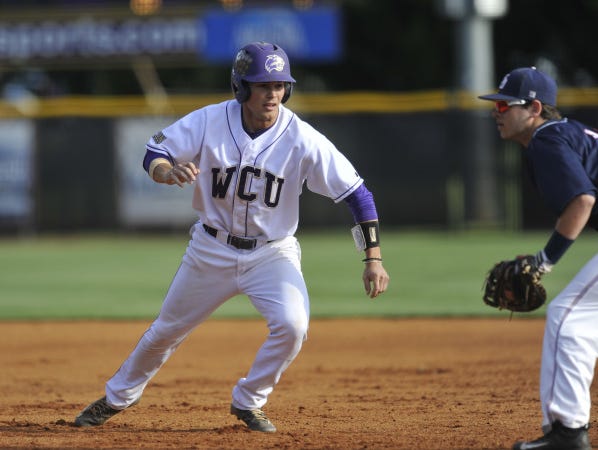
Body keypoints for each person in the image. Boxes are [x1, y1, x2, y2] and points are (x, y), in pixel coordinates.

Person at [73, 41, 390, 433]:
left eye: (279, 85)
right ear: (241, 87)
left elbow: (357, 194)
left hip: (272, 254)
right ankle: (116, 398)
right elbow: (155, 152)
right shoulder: (208, 121)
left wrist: (372, 258)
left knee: (293, 326)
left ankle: (249, 401)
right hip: (210, 248)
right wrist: (164, 172)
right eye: (263, 85)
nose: (273, 93)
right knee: (166, 331)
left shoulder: (302, 138)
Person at [478, 67, 598, 450]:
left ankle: (567, 434)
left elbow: (582, 201)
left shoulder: (547, 138)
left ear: (533, 107)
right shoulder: (567, 134)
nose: (496, 111)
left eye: (502, 105)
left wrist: (544, 261)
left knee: (569, 317)